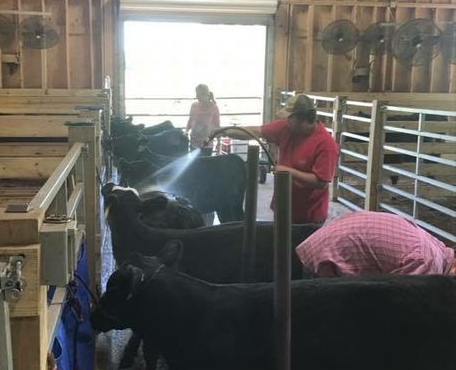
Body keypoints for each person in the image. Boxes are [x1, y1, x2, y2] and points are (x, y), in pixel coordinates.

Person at [295, 212, 456, 370]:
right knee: (334, 343)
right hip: (331, 259)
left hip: (329, 244)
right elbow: (394, 317)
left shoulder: (436, 249)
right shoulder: (428, 264)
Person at [211, 93, 339, 225]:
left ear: (302, 119)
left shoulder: (325, 144)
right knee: (280, 243)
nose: (286, 120)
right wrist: (224, 131)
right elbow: (255, 132)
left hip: (309, 216)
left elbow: (320, 182)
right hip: (283, 207)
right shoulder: (287, 128)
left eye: (290, 117)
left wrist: (287, 172)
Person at [295, 211, 456, 279]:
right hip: (324, 265)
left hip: (318, 245)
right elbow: (399, 308)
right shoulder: (428, 264)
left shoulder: (436, 246)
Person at [186, 84, 221, 154]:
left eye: (198, 94)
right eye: (196, 94)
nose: (197, 96)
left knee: (205, 163)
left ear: (206, 94)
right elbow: (190, 120)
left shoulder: (214, 107)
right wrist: (186, 131)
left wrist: (219, 143)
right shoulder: (194, 106)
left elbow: (217, 126)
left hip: (207, 144)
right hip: (194, 143)